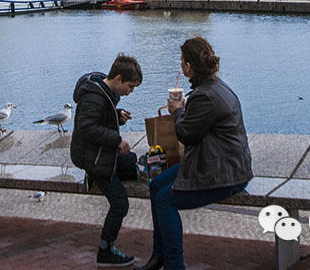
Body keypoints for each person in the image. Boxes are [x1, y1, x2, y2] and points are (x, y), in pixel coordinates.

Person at [136, 37, 253, 270]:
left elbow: (186, 135)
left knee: (164, 200)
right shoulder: (215, 86)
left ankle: (174, 265)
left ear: (188, 67)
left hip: (223, 175)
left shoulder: (204, 95)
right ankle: (159, 255)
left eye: (182, 61)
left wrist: (177, 112)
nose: (180, 65)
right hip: (223, 164)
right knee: (156, 184)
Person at [70, 54, 143, 267]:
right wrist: (117, 140)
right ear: (118, 79)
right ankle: (105, 251)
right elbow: (87, 127)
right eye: (130, 86)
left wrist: (116, 114)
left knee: (131, 161)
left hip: (99, 152)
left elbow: (99, 117)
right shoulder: (95, 97)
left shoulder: (105, 92)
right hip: (93, 158)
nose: (131, 91)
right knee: (120, 203)